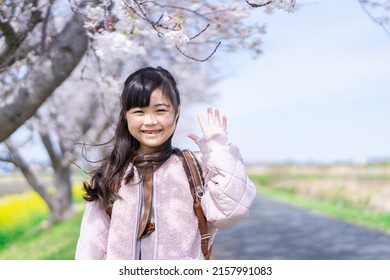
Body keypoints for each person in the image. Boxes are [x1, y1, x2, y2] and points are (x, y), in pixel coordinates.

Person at [75, 66, 256, 260]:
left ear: (176, 112)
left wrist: (218, 148)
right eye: (139, 111)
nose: (150, 121)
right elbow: (90, 250)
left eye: (160, 110)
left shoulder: (194, 167)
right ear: (126, 115)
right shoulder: (111, 175)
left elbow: (230, 210)